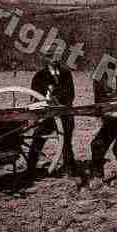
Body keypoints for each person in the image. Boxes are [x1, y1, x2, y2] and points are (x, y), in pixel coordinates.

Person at [27, 46, 77, 177]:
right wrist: (45, 102)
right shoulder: (39, 76)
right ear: (45, 58)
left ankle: (69, 167)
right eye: (51, 56)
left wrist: (57, 99)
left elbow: (71, 94)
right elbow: (34, 96)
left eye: (56, 56)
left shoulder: (66, 74)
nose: (54, 60)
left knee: (67, 142)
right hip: (46, 116)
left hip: (64, 114)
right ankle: (30, 167)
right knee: (38, 138)